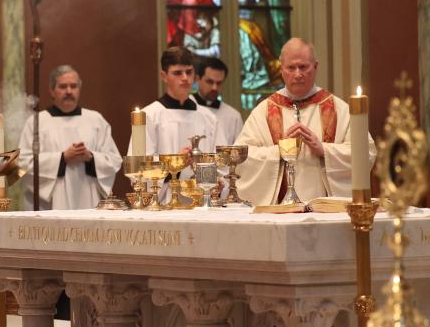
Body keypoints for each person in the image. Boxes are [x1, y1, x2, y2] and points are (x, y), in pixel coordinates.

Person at [235, 37, 374, 206]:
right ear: (281, 69)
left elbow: (366, 154)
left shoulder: (338, 109)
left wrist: (324, 149)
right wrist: (278, 151)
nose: (298, 74)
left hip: (327, 214)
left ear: (315, 67)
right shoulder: (263, 112)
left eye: (303, 67)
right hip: (280, 213)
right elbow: (241, 159)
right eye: (291, 68)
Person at [18, 65, 122, 210]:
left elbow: (114, 160)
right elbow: (23, 163)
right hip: (49, 206)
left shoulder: (95, 120)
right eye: (63, 86)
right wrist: (62, 158)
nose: (68, 91)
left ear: (79, 89)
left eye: (73, 86)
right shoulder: (37, 122)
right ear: (51, 90)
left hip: (89, 200)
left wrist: (90, 157)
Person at [128, 47, 217, 201]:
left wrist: (215, 182)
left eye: (189, 72)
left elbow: (218, 164)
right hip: (163, 201)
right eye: (177, 73)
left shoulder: (208, 117)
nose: (185, 78)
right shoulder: (150, 115)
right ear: (164, 76)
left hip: (201, 203)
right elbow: (139, 169)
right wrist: (175, 164)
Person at [193, 58, 244, 146]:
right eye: (210, 82)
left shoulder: (233, 116)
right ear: (197, 79)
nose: (214, 88)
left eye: (219, 83)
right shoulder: (186, 109)